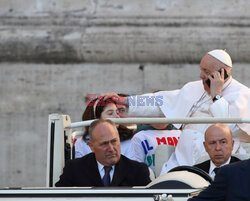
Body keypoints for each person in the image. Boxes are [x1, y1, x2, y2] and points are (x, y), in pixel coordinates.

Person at [104, 49, 250, 174]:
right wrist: (126, 101)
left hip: (217, 165)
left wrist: (216, 95)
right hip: (181, 161)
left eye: (206, 72)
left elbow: (225, 128)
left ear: (221, 74)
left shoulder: (241, 95)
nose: (200, 76)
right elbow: (160, 102)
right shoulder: (193, 88)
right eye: (201, 70)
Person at [55, 119, 151, 187]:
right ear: (92, 146)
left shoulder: (138, 171)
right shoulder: (74, 169)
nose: (111, 148)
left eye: (114, 141)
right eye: (104, 144)